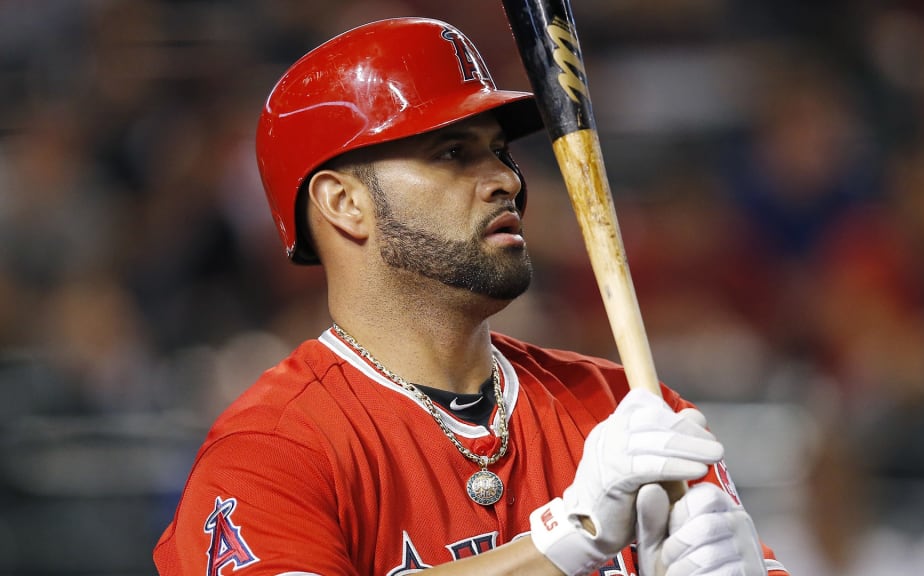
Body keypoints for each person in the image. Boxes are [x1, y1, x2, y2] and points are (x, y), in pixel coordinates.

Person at [153, 17, 788, 576]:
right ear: (343, 202)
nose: (505, 179)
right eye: (453, 153)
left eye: (500, 151)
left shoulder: (625, 408)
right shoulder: (272, 450)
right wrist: (567, 538)